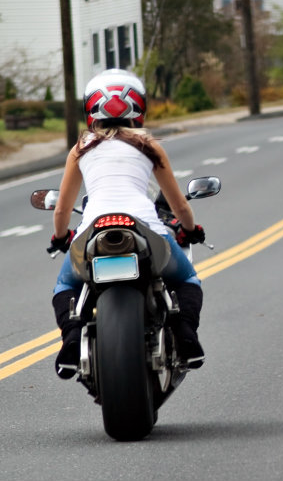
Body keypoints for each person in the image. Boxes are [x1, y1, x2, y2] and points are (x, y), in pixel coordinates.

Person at [48, 69, 207, 379]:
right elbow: (179, 205)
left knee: (66, 286)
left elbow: (61, 210)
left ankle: (70, 339)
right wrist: (191, 229)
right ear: (138, 106)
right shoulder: (148, 145)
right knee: (188, 281)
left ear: (91, 108)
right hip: (145, 227)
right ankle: (186, 337)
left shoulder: (80, 147)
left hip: (93, 229)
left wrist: (60, 237)